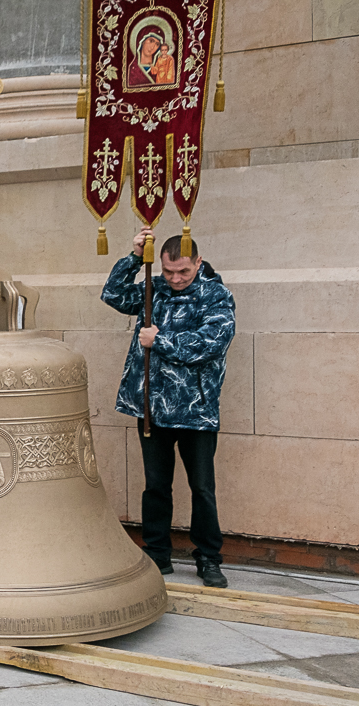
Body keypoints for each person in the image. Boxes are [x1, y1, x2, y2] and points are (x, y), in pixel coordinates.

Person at [101, 226, 235, 588]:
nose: (175, 279)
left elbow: (210, 342)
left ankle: (208, 557)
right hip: (152, 408)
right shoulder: (153, 288)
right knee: (156, 485)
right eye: (169, 271)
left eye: (184, 272)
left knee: (202, 487)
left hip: (196, 411)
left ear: (198, 264)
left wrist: (159, 340)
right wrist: (134, 257)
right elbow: (112, 294)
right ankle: (158, 553)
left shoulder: (215, 295)